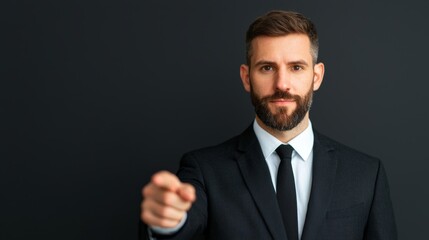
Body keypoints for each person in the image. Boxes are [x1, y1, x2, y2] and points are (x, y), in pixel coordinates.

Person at [139, 10, 397, 240]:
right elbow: (182, 223)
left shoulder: (366, 174)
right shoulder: (205, 171)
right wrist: (168, 223)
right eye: (266, 68)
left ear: (316, 76)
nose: (282, 84)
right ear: (246, 77)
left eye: (296, 67)